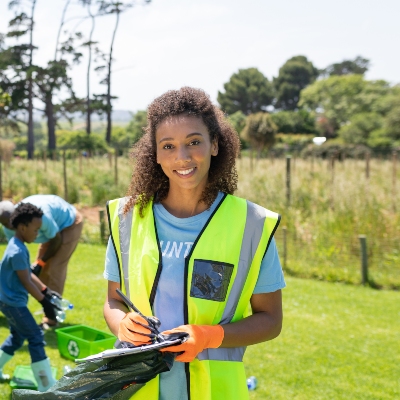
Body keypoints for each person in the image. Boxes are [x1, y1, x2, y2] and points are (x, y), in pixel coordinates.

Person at [103, 87, 285, 400]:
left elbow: (270, 320)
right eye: (168, 146)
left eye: (194, 142)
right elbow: (113, 302)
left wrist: (208, 335)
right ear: (156, 154)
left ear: (215, 144)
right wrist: (123, 325)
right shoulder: (128, 217)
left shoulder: (252, 224)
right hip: (137, 389)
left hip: (216, 392)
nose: (182, 157)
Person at [0, 203, 59, 392]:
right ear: (22, 227)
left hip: (8, 302)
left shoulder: (17, 245)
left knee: (17, 337)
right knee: (35, 336)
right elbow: (26, 281)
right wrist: (44, 302)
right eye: (35, 230)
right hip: (13, 304)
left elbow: (28, 274)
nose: (38, 234)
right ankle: (45, 386)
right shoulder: (17, 251)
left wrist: (45, 290)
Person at [0, 195, 83, 327]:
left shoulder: (39, 218)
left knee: (55, 268)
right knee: (41, 271)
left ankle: (51, 316)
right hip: (49, 232)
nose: (10, 226)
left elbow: (56, 240)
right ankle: (47, 304)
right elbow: (18, 258)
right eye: (5, 224)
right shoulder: (14, 226)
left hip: (68, 224)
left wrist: (40, 263)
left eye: (10, 221)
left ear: (15, 215)